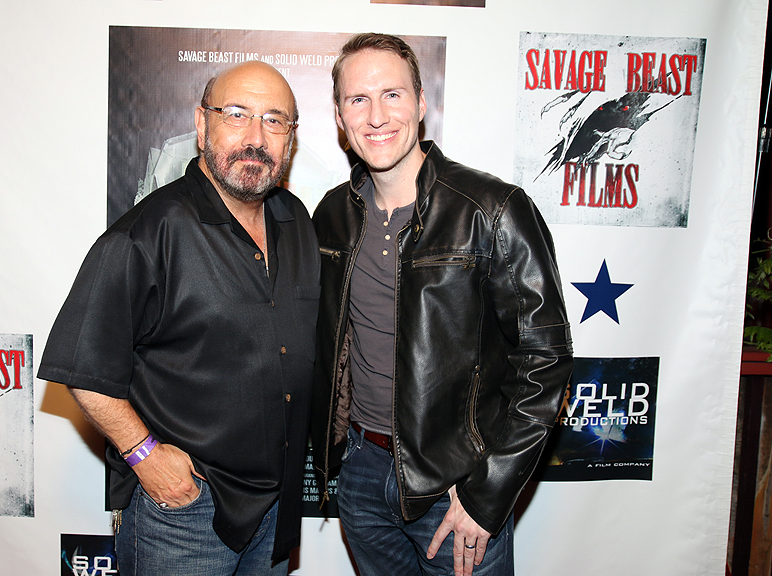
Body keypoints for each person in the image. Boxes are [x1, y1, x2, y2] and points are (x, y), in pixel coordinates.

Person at [38, 60, 320, 576]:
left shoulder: (297, 221)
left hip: (276, 508)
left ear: (291, 138)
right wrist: (143, 453)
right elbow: (81, 368)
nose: (256, 136)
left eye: (274, 120)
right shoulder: (146, 233)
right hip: (186, 515)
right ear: (200, 124)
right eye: (237, 114)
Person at [311, 33, 573, 576]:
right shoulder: (332, 214)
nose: (377, 116)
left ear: (422, 103)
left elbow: (545, 360)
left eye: (393, 95)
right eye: (358, 100)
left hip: (456, 485)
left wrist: (488, 490)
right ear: (339, 116)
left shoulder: (492, 208)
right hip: (360, 475)